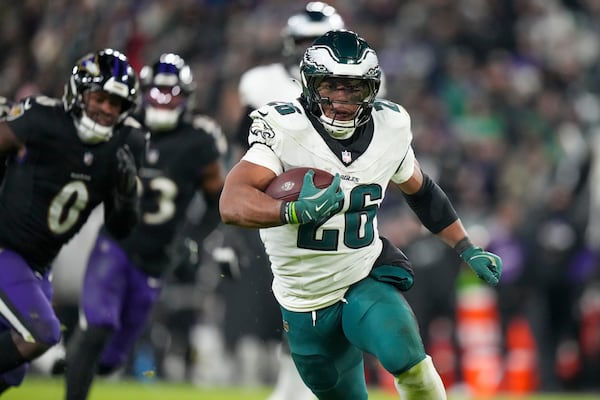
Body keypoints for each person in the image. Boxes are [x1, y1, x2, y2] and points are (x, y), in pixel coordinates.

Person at [219, 29, 503, 399]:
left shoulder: (391, 126)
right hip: (302, 302)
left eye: (353, 88)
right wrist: (291, 210)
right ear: (309, 84)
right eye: (331, 85)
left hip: (361, 277)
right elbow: (232, 201)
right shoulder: (284, 126)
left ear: (371, 90)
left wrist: (466, 246)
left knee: (410, 361)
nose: (341, 99)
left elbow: (422, 192)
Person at [64, 52, 225, 400]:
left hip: (157, 258)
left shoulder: (200, 140)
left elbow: (219, 202)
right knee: (98, 326)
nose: (162, 100)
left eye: (171, 94)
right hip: (115, 243)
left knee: (111, 358)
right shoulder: (124, 126)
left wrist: (194, 240)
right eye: (156, 92)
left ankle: (76, 362)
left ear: (186, 97)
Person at [0, 48, 146, 395]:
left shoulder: (128, 143)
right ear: (78, 93)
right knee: (41, 333)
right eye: (100, 98)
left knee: (10, 373)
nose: (107, 109)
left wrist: (127, 195)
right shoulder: (41, 118)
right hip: (5, 249)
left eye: (116, 104)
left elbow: (121, 227)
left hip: (38, 265)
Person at [230, 3, 344, 398]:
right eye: (304, 41)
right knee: (284, 300)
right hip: (276, 206)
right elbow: (241, 151)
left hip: (331, 210)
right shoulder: (262, 83)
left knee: (328, 302)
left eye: (320, 41)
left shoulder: (351, 88)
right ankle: (286, 385)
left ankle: (306, 385)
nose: (311, 49)